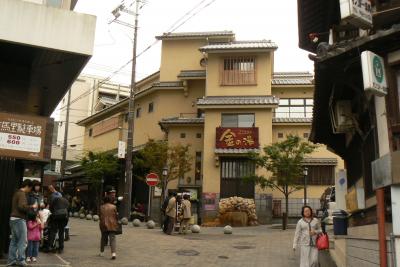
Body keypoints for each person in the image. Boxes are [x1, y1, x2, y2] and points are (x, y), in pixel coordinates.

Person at [7, 179, 37, 266]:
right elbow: (22, 207)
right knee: (23, 241)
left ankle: (11, 260)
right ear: (27, 186)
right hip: (19, 219)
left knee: (14, 241)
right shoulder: (22, 194)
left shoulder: (17, 193)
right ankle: (21, 260)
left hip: (13, 219)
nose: (30, 190)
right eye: (30, 188)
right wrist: (32, 206)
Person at [47, 189, 69, 254]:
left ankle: (50, 246)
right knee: (61, 232)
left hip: (56, 217)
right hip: (64, 218)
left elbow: (51, 208)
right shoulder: (66, 201)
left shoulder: (55, 199)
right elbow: (68, 209)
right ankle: (61, 248)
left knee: (53, 231)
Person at [99, 196, 118, 260]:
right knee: (112, 239)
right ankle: (113, 254)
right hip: (112, 224)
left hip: (103, 224)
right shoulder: (114, 207)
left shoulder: (101, 207)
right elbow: (116, 215)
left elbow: (100, 215)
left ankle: (102, 252)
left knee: (103, 238)